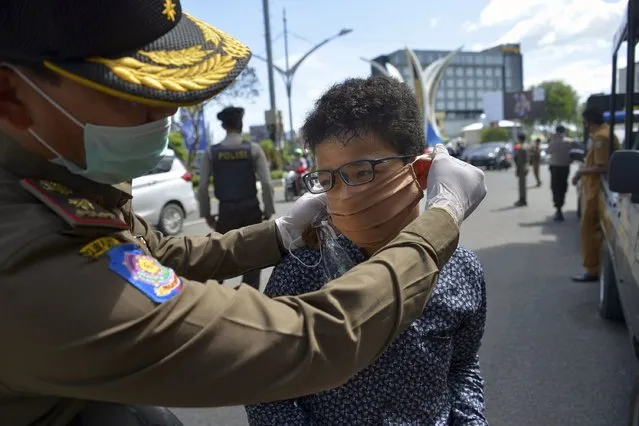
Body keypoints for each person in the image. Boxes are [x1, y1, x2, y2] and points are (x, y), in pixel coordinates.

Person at [0, 1, 488, 424]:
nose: (162, 119)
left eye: (171, 95)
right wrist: (441, 218)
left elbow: (154, 253)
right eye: (132, 97)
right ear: (11, 96)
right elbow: (306, 341)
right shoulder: (25, 258)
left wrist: (278, 233)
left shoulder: (64, 175)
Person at [245, 77, 488, 425]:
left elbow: (462, 364)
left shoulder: (460, 269)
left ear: (419, 171)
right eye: (328, 181)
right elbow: (267, 386)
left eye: (361, 173)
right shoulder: (304, 269)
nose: (343, 195)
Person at [197, 106, 275, 289]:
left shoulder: (211, 152)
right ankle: (247, 301)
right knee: (253, 260)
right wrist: (269, 210)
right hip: (251, 212)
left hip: (226, 213)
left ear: (224, 126)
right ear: (241, 124)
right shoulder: (253, 149)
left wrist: (207, 214)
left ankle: (213, 300)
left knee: (221, 259)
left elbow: (202, 187)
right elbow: (266, 184)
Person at [571, 107, 619, 282]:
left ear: (589, 122)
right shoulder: (604, 134)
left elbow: (602, 166)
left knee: (589, 229)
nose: (585, 127)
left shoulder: (600, 138)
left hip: (598, 190)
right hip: (597, 189)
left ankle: (591, 270)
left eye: (585, 123)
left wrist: (581, 172)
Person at [547, 125, 573, 221]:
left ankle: (558, 208)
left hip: (555, 167)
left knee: (555, 187)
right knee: (563, 187)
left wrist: (552, 139)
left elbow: (548, 151)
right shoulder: (568, 141)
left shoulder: (553, 141)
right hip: (565, 167)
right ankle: (560, 207)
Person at [514, 133, 529, 207]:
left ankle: (522, 200)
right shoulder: (525, 146)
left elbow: (520, 160)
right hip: (525, 167)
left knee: (521, 185)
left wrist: (517, 169)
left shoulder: (522, 147)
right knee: (522, 185)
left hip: (522, 168)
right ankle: (523, 199)